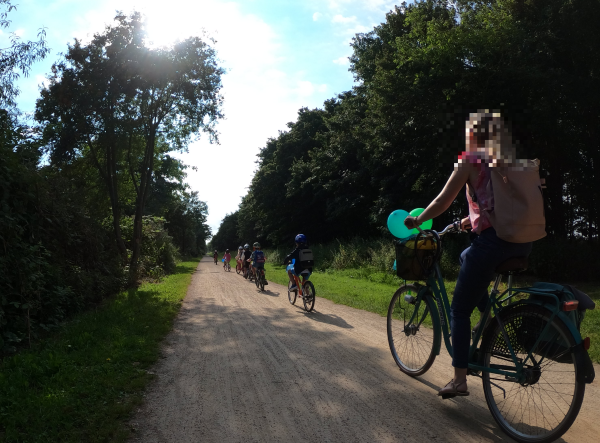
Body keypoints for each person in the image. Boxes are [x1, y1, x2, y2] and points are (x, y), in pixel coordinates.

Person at [403, 110, 534, 399]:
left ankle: (459, 379)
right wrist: (469, 219)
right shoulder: (508, 159)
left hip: (493, 243)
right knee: (465, 256)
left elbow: (441, 199)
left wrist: (419, 219)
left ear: (473, 134)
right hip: (523, 241)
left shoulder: (470, 160)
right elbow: (500, 203)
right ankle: (487, 316)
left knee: (459, 310)